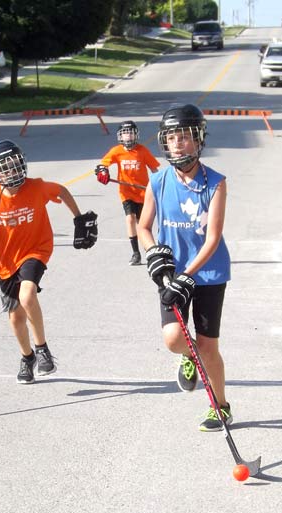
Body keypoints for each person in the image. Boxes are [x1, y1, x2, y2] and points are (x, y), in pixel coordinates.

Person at [0, 140, 97, 384]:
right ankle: (27, 358)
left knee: (27, 295)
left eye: (15, 166)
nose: (12, 172)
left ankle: (42, 348)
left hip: (37, 250)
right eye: (5, 168)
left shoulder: (36, 187)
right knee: (15, 317)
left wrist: (79, 219)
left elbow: (61, 191)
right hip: (6, 261)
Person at [136, 104, 232, 432]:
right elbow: (144, 227)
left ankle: (219, 406)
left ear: (199, 139)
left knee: (208, 347)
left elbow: (213, 237)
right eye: (172, 137)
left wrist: (188, 275)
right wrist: (154, 254)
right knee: (175, 339)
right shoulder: (158, 181)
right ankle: (187, 356)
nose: (178, 143)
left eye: (185, 137)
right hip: (171, 273)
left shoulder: (216, 183)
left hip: (207, 274)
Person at [95, 120, 159, 265]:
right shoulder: (116, 151)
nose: (128, 136)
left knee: (142, 224)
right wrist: (102, 171)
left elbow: (155, 170)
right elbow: (103, 164)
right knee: (130, 219)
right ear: (120, 136)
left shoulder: (142, 150)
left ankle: (150, 253)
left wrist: (158, 184)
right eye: (125, 133)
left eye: (130, 133)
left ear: (136, 135)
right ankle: (136, 253)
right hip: (126, 192)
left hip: (143, 193)